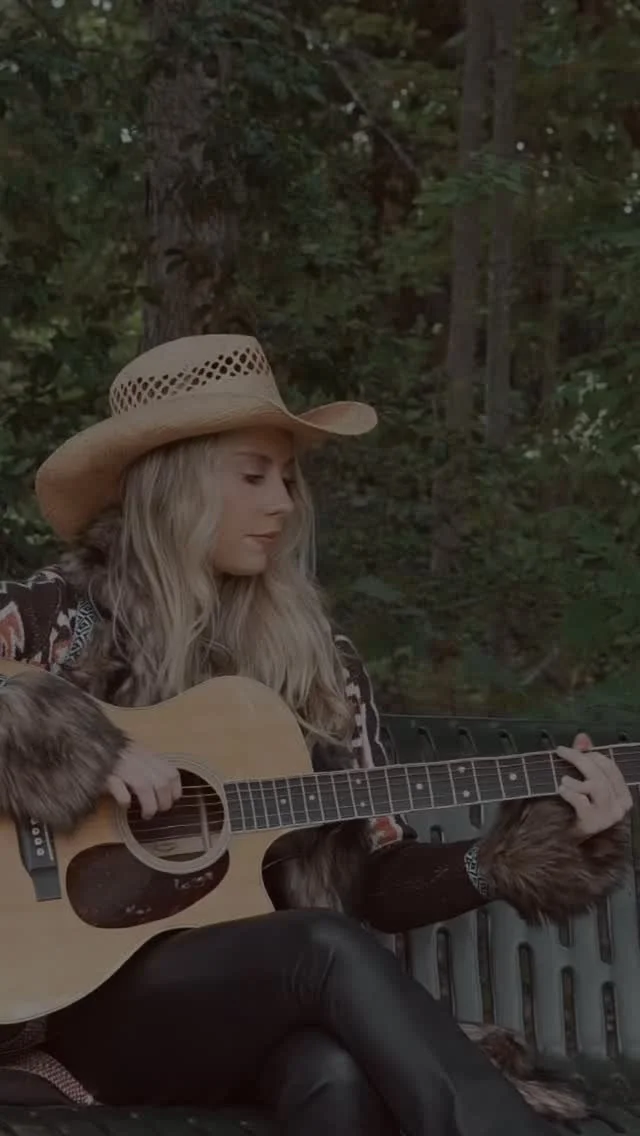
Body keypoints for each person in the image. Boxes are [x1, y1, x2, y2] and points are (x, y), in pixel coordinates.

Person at [0, 334, 632, 1136]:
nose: (283, 503)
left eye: (289, 478)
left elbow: (368, 879)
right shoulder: (63, 617)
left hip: (242, 1004)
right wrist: (86, 747)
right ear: (175, 482)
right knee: (320, 947)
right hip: (67, 1008)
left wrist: (507, 856)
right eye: (254, 475)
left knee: (333, 1072)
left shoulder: (316, 665)